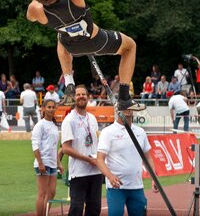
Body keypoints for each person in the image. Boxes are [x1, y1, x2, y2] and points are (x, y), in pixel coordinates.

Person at [97, 109, 157, 216]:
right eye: (124, 107)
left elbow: (147, 157)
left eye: (130, 107)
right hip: (116, 188)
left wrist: (154, 178)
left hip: (137, 187)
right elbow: (100, 159)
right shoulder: (108, 132)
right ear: (117, 110)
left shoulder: (140, 132)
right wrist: (110, 176)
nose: (128, 110)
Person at [61, 84, 102, 216]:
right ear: (74, 98)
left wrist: (98, 160)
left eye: (83, 94)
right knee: (76, 209)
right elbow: (66, 148)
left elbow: (96, 142)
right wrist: (87, 159)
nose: (81, 97)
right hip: (79, 172)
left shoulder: (93, 118)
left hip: (95, 171)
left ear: (88, 97)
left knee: (94, 208)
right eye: (78, 95)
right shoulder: (69, 120)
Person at [31, 99, 64, 216]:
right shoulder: (40, 125)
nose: (51, 109)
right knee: (43, 193)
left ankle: (45, 213)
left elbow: (54, 148)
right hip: (43, 163)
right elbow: (35, 145)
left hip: (52, 164)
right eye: (48, 107)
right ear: (43, 109)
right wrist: (40, 163)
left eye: (53, 107)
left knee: (52, 193)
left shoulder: (54, 126)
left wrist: (59, 163)